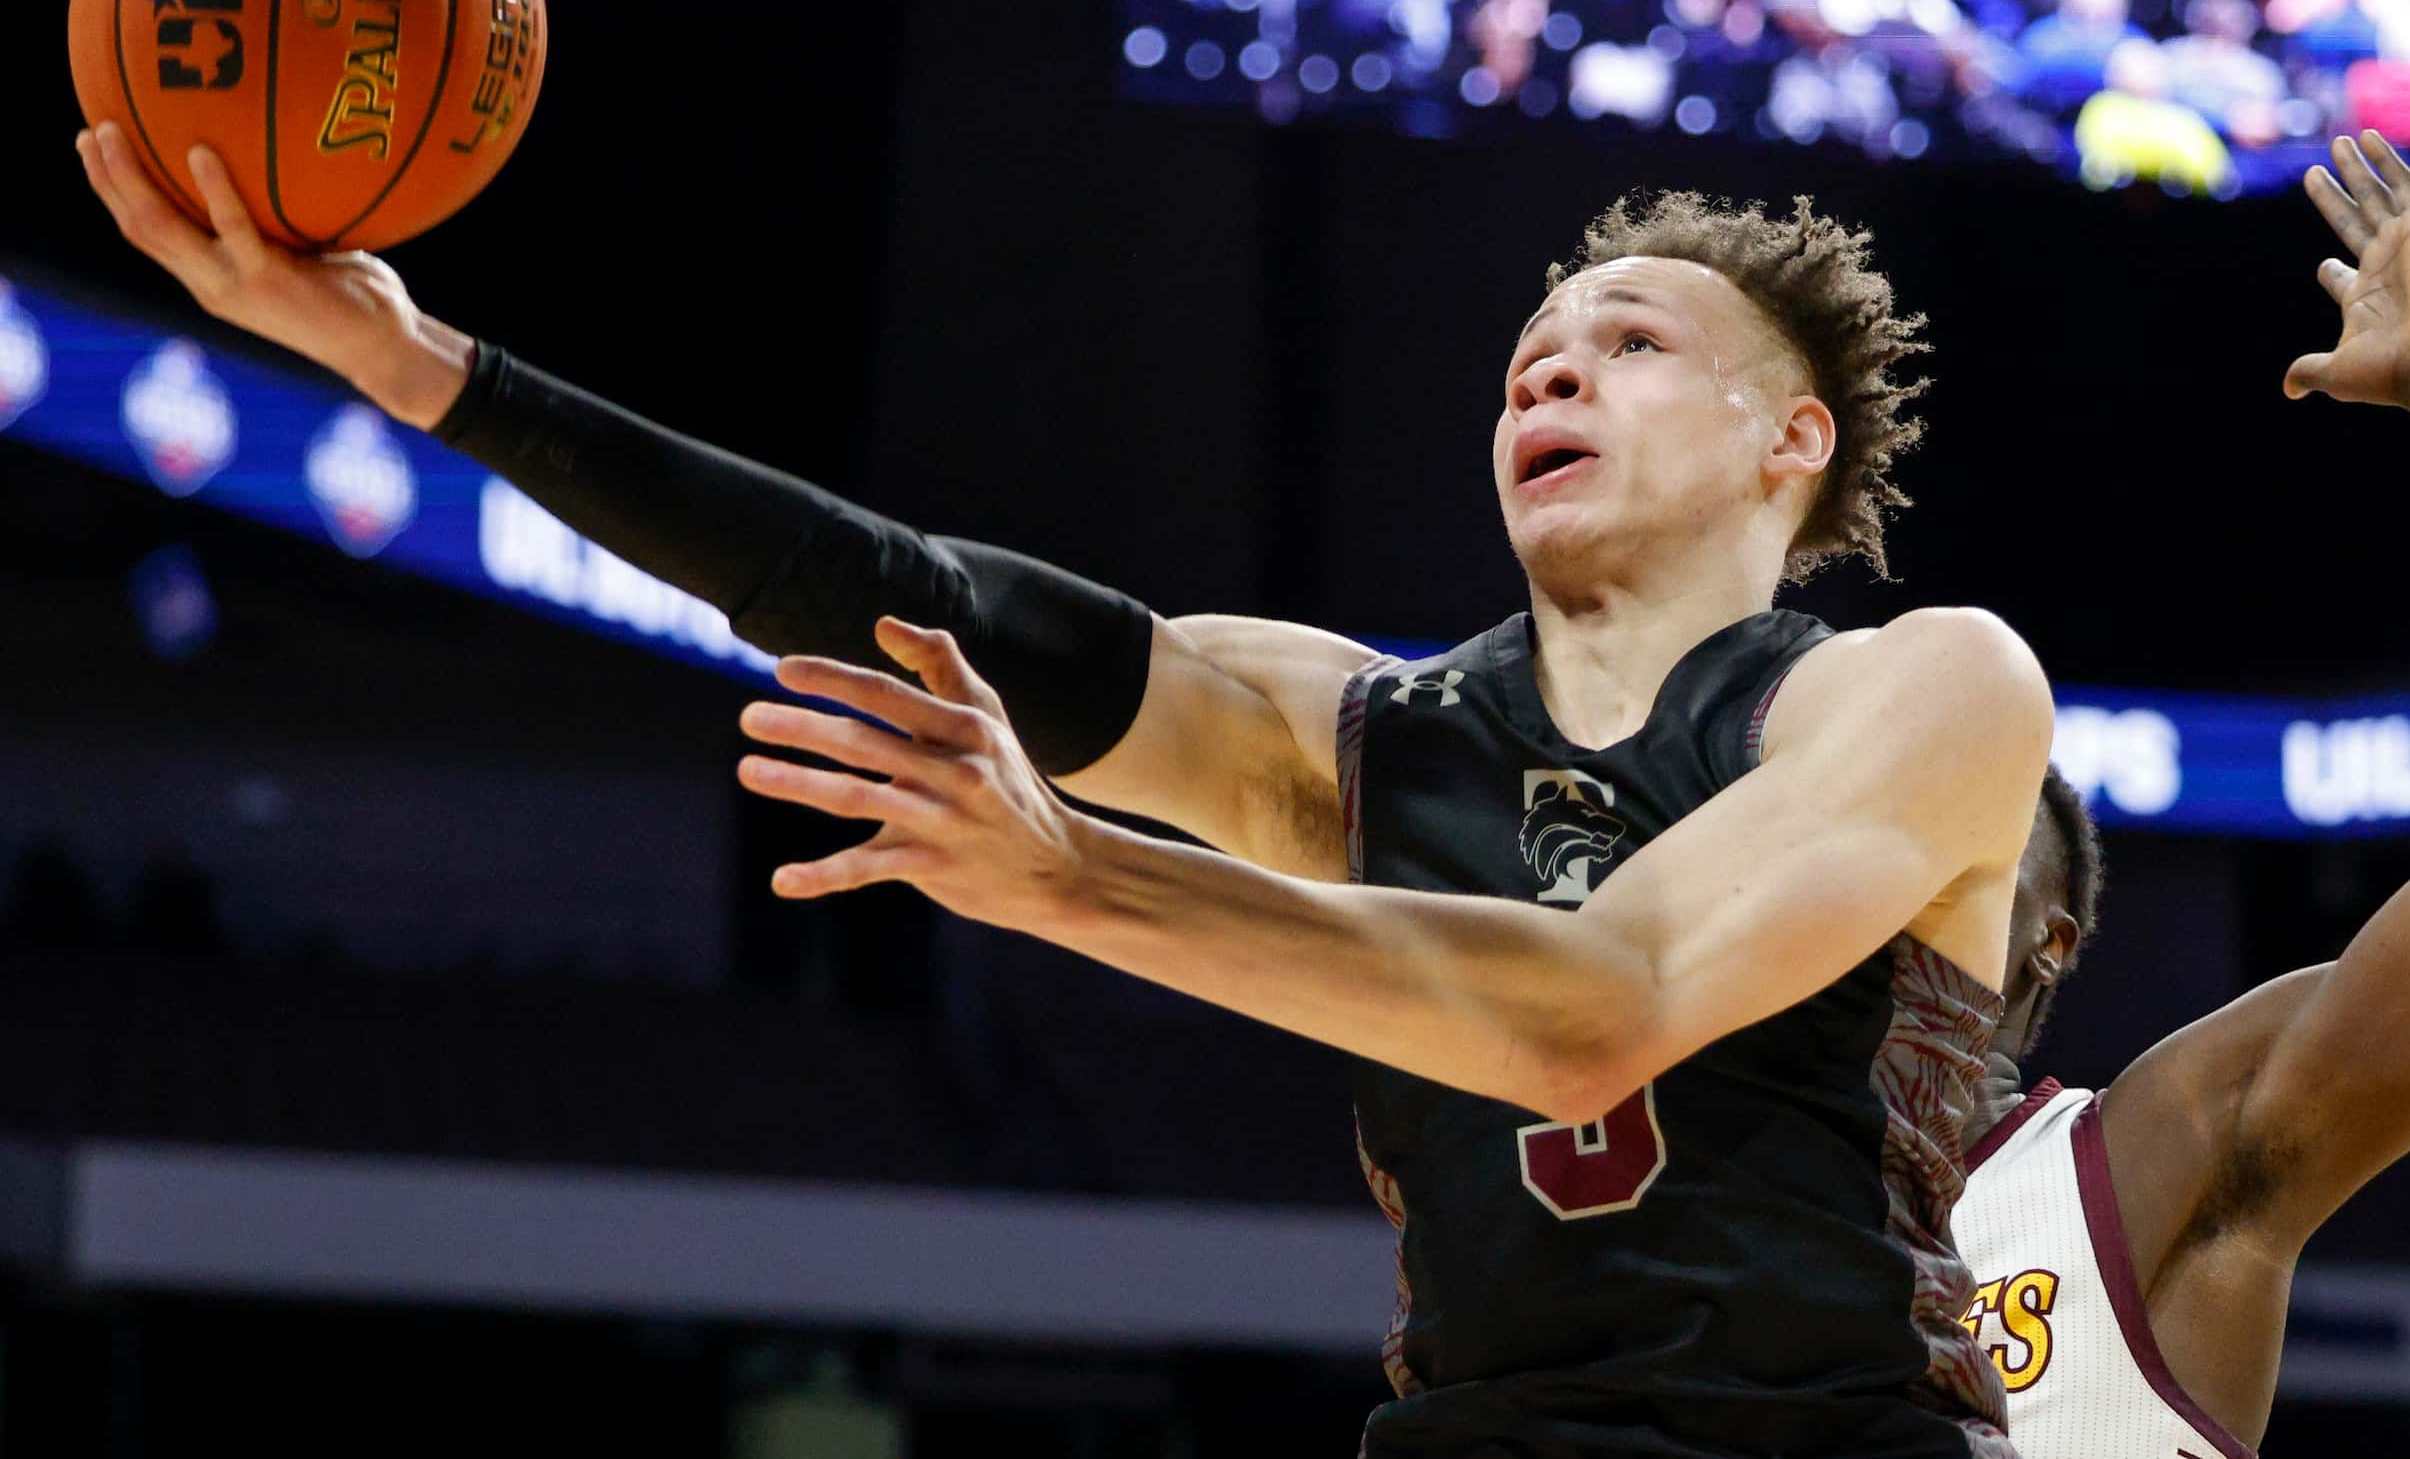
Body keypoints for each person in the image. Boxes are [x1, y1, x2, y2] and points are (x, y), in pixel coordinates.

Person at [76, 125, 2050, 1459]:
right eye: (1534, 352)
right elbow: (919, 597)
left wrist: (1069, 876)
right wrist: (434, 371)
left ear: (1789, 441)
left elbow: (1596, 1016)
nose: (1552, 373)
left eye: (1630, 343)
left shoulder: (1924, 687)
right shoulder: (1344, 729)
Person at [1948, 130, 2410, 1457]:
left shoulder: (2149, 1162)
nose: (1908, 846)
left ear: (2044, 948)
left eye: (1966, 843)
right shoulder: (1652, 1200)